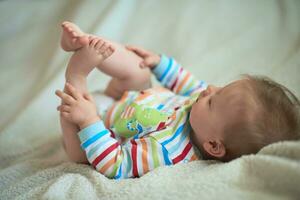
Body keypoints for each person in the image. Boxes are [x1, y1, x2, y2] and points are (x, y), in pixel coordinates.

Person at [55, 21, 300, 179]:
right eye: (220, 89)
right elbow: (188, 83)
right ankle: (84, 42)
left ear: (214, 146)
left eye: (213, 101)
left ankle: (76, 75)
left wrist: (89, 120)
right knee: (139, 70)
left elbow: (116, 164)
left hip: (103, 123)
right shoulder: (203, 108)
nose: (209, 89)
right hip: (128, 95)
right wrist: (161, 64)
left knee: (79, 149)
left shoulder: (167, 151)